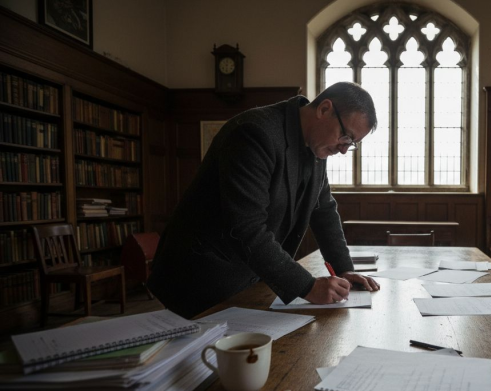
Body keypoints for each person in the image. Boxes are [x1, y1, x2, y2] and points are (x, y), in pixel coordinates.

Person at [147, 82, 380, 319]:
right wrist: (307, 286)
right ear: (324, 110)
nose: (343, 150)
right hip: (200, 276)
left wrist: (344, 269)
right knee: (201, 354)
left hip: (245, 274)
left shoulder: (316, 145)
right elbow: (246, 227)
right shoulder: (254, 133)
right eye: (345, 137)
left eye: (350, 144)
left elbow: (324, 211)